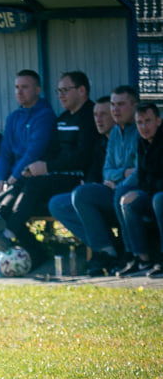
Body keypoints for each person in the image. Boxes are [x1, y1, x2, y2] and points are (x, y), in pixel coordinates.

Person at [0, 69, 59, 269]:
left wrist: (13, 178)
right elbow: (5, 152)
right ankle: (7, 235)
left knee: (8, 209)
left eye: (25, 87)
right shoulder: (13, 117)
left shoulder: (45, 116)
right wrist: (0, 179)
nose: (19, 92)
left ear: (38, 90)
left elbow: (34, 151)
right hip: (10, 180)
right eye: (17, 87)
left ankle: (12, 238)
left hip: (31, 180)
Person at [47, 94, 128, 276]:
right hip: (94, 196)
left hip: (117, 194)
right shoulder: (98, 142)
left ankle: (106, 252)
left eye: (103, 114)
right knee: (58, 203)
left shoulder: (127, 139)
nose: (98, 119)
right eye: (95, 115)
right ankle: (108, 247)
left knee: (82, 194)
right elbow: (94, 173)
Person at [115, 102, 163, 278]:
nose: (144, 127)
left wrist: (146, 191)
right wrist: (136, 193)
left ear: (159, 121)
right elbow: (142, 176)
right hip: (152, 193)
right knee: (126, 200)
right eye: (140, 123)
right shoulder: (141, 142)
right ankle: (141, 258)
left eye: (148, 121)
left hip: (159, 195)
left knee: (159, 199)